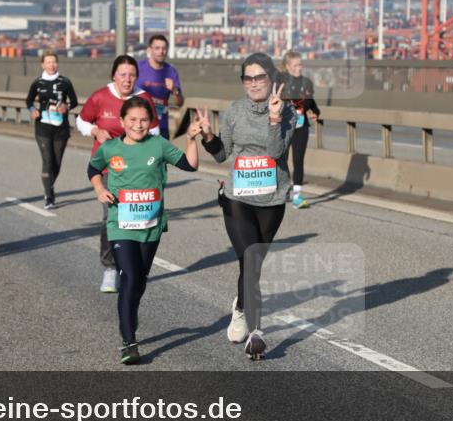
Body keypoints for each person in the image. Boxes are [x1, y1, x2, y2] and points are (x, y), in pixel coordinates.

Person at [197, 52, 294, 360]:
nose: (253, 84)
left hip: (272, 198)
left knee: (252, 266)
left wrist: (275, 118)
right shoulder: (235, 110)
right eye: (248, 78)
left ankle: (240, 307)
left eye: (259, 77)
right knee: (250, 261)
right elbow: (221, 154)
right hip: (237, 197)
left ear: (272, 79)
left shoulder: (288, 112)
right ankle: (256, 333)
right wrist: (209, 136)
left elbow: (277, 151)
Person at [87, 96, 199, 364]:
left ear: (150, 122)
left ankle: (130, 313)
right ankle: (129, 342)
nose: (138, 125)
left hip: (151, 226)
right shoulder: (111, 148)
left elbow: (190, 165)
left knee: (139, 282)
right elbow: (92, 168)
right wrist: (100, 189)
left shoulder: (158, 145)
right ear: (122, 121)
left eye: (144, 120)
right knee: (130, 276)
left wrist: (193, 139)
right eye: (133, 120)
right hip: (120, 225)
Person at [77, 55, 160, 293]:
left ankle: (131, 266)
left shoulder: (143, 98)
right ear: (114, 75)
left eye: (132, 75)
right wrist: (95, 130)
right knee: (111, 218)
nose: (127, 79)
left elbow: (154, 131)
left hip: (137, 171)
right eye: (123, 74)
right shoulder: (101, 96)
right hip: (108, 169)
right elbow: (80, 121)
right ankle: (110, 268)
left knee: (135, 218)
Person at [26, 50, 78, 209]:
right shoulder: (38, 82)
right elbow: (28, 100)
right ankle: (49, 195)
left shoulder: (65, 82)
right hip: (42, 126)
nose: (51, 65)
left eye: (54, 62)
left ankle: (49, 185)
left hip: (61, 128)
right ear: (43, 64)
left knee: (56, 163)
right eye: (48, 62)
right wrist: (32, 110)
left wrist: (66, 107)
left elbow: (74, 101)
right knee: (47, 160)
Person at [279, 50, 320, 209]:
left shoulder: (307, 83)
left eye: (300, 64)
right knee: (282, 160)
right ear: (288, 66)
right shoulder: (281, 83)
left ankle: (297, 196)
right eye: (295, 65)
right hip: (284, 126)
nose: (299, 68)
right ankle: (281, 190)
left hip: (301, 127)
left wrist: (315, 112)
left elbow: (311, 103)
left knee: (298, 160)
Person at [136, 34, 184, 139]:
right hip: (138, 126)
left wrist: (175, 90)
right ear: (149, 49)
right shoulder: (138, 68)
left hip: (161, 127)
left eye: (164, 48)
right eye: (157, 48)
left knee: (160, 156)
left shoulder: (171, 71)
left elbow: (179, 103)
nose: (161, 51)